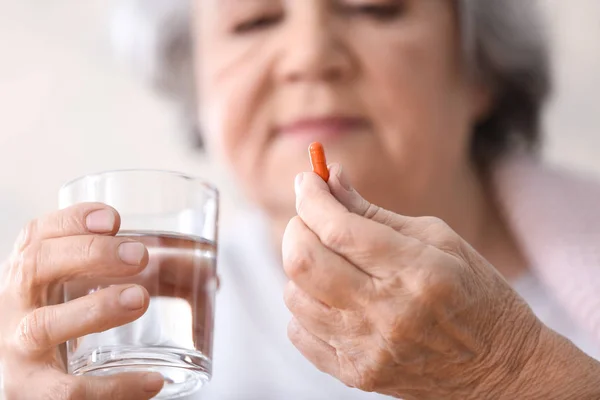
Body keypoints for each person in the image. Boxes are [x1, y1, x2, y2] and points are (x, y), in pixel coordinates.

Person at [2, 0, 600, 398]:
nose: (310, 56)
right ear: (197, 81)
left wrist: (514, 372)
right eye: (254, 20)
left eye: (375, 6)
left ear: (478, 68)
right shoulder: (142, 336)